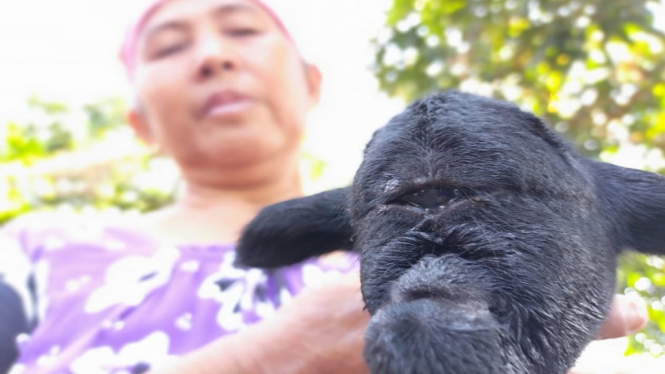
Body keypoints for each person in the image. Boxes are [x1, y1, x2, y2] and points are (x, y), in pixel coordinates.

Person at [0, 0, 649, 373]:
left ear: (310, 83)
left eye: (243, 29)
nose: (212, 56)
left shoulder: (418, 244)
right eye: (169, 47)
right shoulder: (40, 250)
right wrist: (263, 361)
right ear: (137, 120)